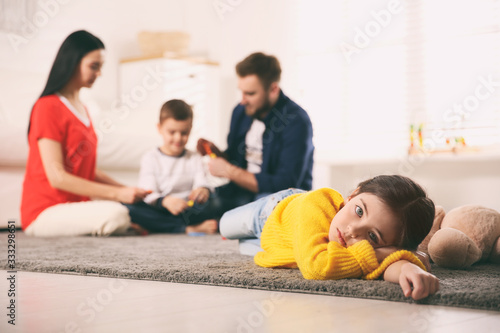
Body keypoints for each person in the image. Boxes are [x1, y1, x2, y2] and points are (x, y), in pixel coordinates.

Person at [219, 175, 439, 301]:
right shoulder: (313, 204)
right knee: (224, 226)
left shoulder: (359, 240)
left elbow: (377, 264)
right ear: (353, 194)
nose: (353, 231)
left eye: (373, 236)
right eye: (359, 211)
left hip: (286, 242)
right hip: (269, 213)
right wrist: (387, 252)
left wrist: (407, 267)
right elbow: (316, 267)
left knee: (246, 249)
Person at [21, 30, 149, 237]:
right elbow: (58, 178)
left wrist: (129, 189)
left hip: (75, 206)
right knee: (116, 213)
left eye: (101, 67)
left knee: (134, 210)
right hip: (45, 212)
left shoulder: (83, 109)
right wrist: (117, 194)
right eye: (94, 66)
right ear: (72, 62)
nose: (99, 73)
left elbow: (87, 170)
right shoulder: (47, 107)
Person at [197, 52, 314, 216]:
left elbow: (286, 183)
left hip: (277, 196)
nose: (243, 100)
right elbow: (235, 158)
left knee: (265, 211)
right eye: (242, 92)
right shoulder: (240, 112)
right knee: (197, 204)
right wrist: (217, 153)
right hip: (241, 193)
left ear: (273, 89)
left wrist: (229, 170)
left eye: (250, 94)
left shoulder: (297, 121)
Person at [124, 100, 218, 234]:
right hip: (160, 208)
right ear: (159, 128)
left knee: (217, 200)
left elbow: (202, 181)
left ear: (190, 129)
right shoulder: (150, 158)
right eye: (172, 132)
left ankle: (159, 227)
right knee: (129, 208)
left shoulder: (194, 157)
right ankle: (187, 229)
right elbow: (148, 192)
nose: (178, 138)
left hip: (187, 210)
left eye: (184, 133)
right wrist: (165, 201)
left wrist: (202, 190)